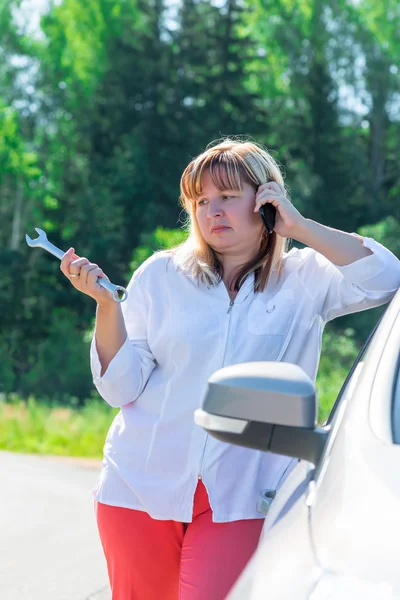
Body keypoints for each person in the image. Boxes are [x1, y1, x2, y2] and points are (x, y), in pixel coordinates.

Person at [60, 138, 400, 600]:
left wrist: (298, 226)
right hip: (137, 487)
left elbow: (387, 278)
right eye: (201, 201)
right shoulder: (160, 275)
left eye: (228, 196)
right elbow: (121, 387)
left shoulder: (307, 278)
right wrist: (106, 307)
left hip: (243, 496)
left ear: (266, 200)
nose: (212, 211)